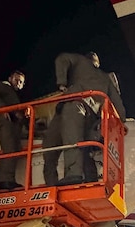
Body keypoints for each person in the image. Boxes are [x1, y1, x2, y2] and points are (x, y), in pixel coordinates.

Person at [42, 52, 126, 186]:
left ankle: (73, 174)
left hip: (74, 105)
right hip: (76, 112)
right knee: (58, 144)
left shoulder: (82, 63)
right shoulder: (106, 79)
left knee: (67, 141)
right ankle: (87, 178)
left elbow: (62, 58)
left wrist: (62, 82)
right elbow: (119, 108)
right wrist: (119, 124)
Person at [0, 70, 26, 192]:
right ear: (10, 78)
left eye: (21, 82)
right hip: (5, 122)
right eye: (16, 80)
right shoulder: (4, 86)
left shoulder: (11, 94)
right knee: (10, 150)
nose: (18, 83)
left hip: (12, 124)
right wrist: (2, 107)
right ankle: (7, 180)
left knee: (12, 149)